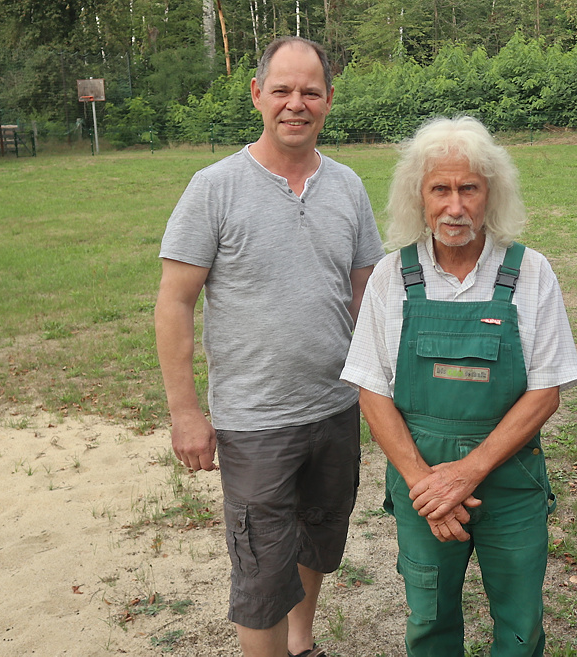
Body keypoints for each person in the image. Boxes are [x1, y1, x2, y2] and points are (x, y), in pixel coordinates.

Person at [155, 36, 385, 657]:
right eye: (281, 90)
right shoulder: (214, 187)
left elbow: (369, 294)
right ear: (257, 94)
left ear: (329, 101)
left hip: (337, 407)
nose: (296, 104)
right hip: (255, 420)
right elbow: (174, 301)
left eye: (310, 91)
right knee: (261, 566)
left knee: (317, 540)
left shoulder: (348, 187)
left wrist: (388, 385)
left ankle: (302, 643)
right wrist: (185, 412)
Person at [340, 116, 577, 656]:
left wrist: (467, 472)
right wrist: (426, 486)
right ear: (418, 197)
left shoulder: (531, 272)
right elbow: (371, 390)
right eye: (440, 189)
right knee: (428, 619)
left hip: (510, 482)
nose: (455, 206)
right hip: (420, 484)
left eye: (468, 188)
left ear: (489, 194)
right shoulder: (390, 277)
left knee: (520, 622)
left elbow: (545, 389)